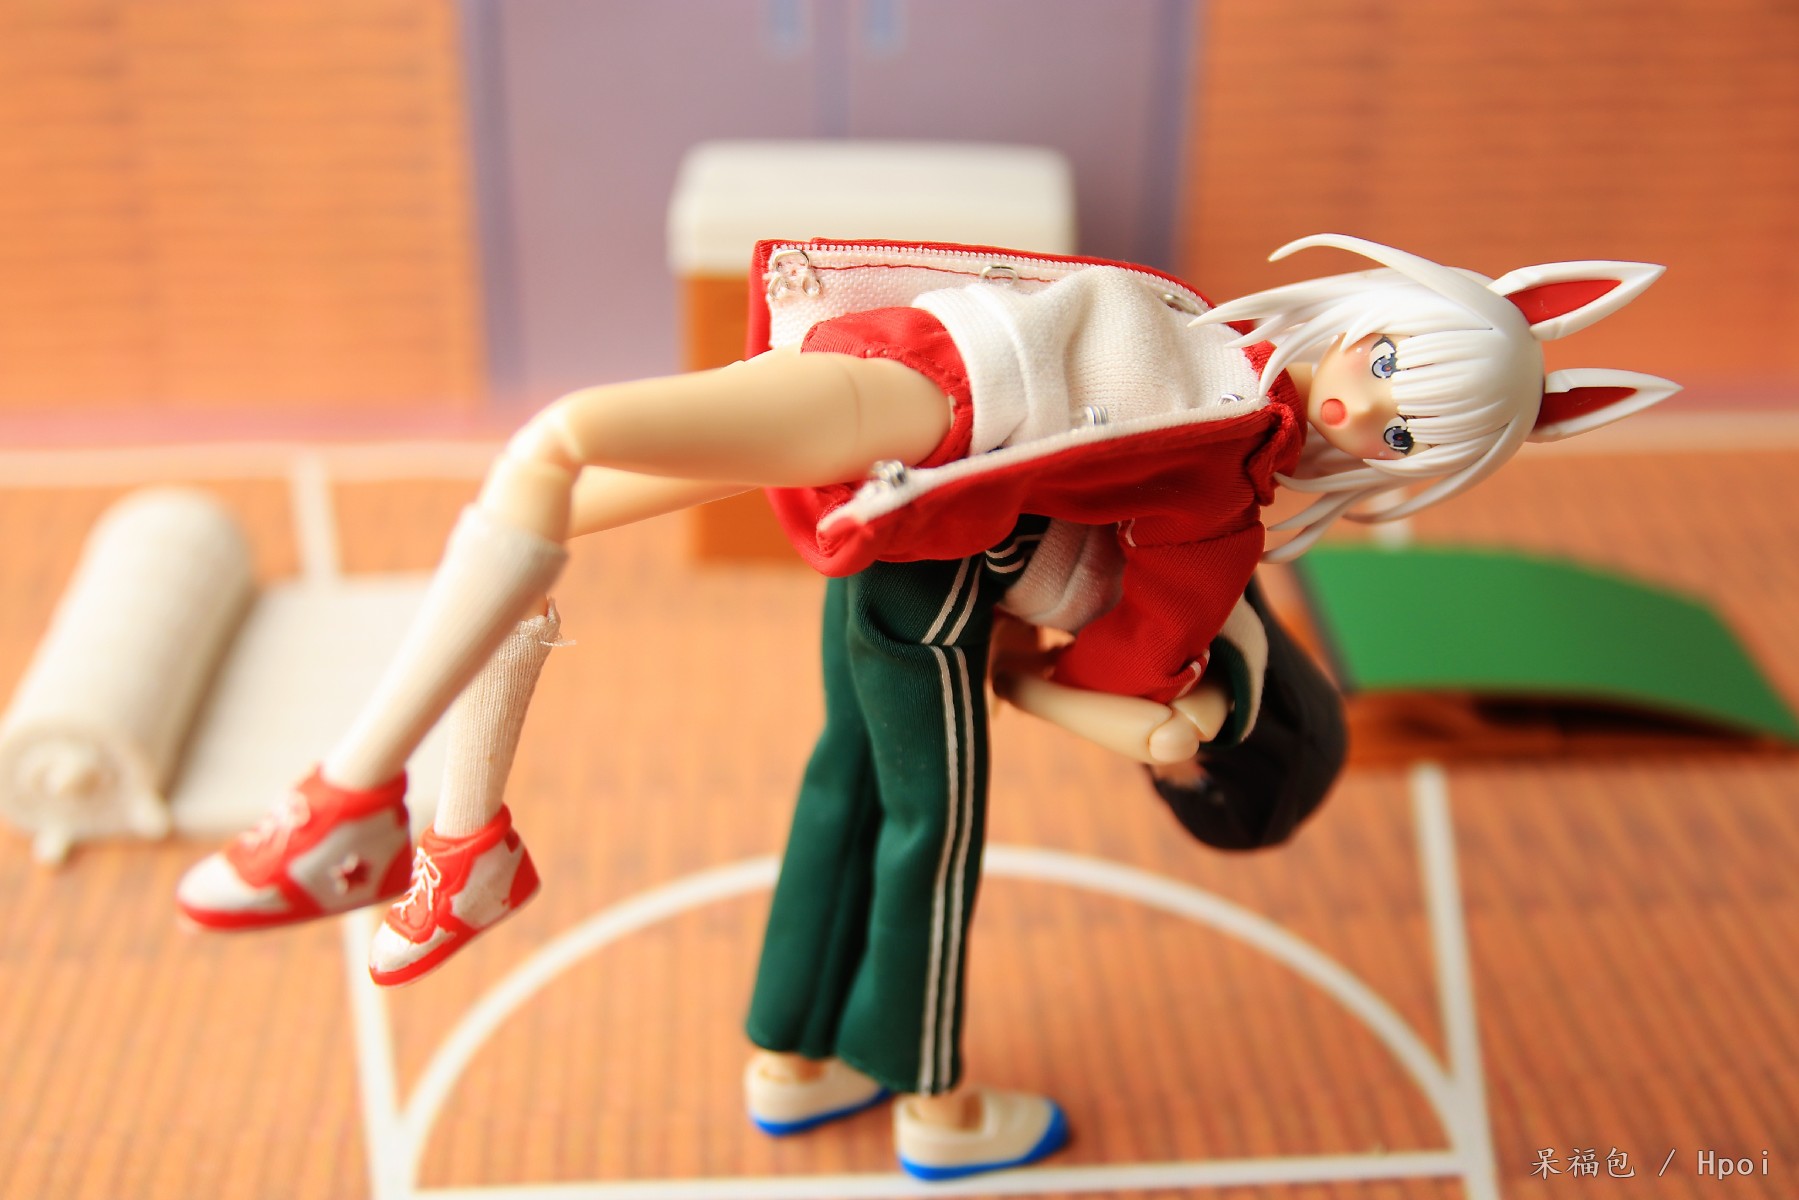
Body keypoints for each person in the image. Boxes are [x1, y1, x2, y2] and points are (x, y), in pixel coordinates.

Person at [177, 233, 1674, 1180]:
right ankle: (841, 1069)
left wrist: (1123, 700)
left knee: (582, 487)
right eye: (1389, 363)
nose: (1362, 406)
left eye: (1402, 430)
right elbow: (1127, 664)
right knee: (865, 804)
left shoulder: (1228, 498)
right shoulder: (1227, 379)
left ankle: (400, 820)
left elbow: (1129, 656)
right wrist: (1107, 694)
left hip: (926, 474)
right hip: (910, 441)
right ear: (1372, 307)